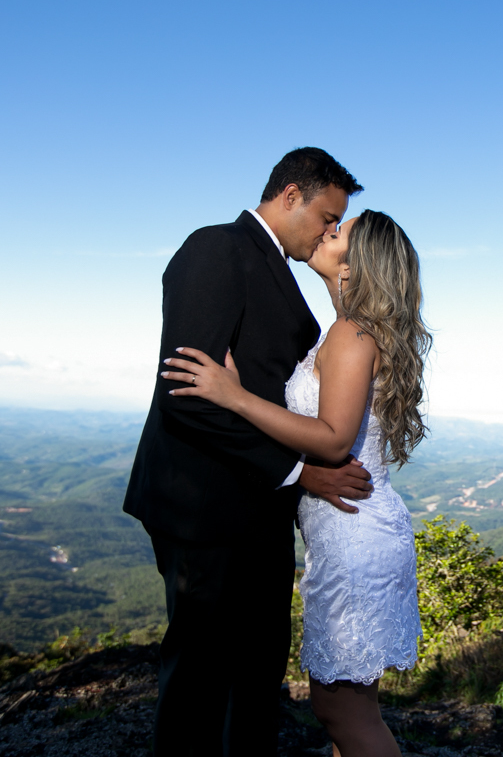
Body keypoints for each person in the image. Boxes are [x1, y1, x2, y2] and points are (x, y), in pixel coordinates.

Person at [123, 147, 375, 756]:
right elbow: (188, 396)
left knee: (256, 675)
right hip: (205, 508)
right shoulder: (217, 249)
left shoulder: (278, 270)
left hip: (259, 511)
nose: (329, 232)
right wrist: (298, 472)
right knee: (201, 678)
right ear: (290, 196)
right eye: (326, 218)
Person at [163, 209, 429, 757]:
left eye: (340, 232)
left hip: (354, 534)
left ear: (355, 266)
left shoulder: (352, 334)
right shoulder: (349, 331)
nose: (328, 231)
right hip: (352, 528)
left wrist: (235, 397)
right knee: (351, 709)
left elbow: (331, 441)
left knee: (343, 712)